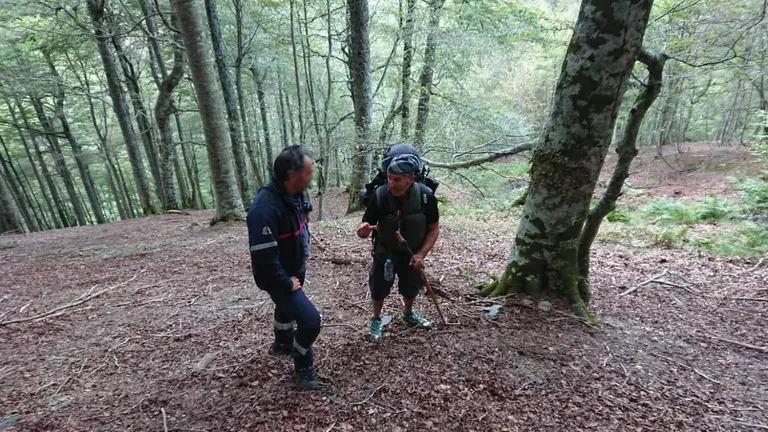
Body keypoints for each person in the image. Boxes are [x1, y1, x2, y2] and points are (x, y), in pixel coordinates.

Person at [246, 145, 320, 390]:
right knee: (310, 321)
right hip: (277, 275)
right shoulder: (263, 209)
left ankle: (283, 342)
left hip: (294, 265)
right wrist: (286, 283)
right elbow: (265, 261)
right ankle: (302, 362)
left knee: (287, 308)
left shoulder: (295, 193)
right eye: (308, 173)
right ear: (292, 174)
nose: (311, 177)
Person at [356, 153, 441, 341]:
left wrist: (421, 255)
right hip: (385, 251)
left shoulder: (426, 197)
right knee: (379, 286)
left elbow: (434, 229)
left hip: (412, 253)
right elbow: (365, 226)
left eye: (397, 179)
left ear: (411, 179)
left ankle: (408, 314)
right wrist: (363, 231)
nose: (392, 183)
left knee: (411, 286)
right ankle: (376, 319)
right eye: (389, 178)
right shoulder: (380, 195)